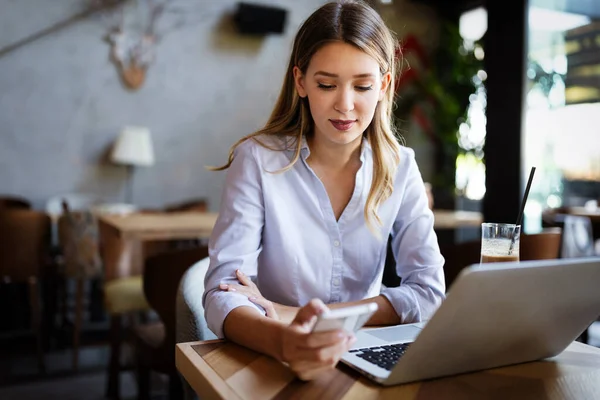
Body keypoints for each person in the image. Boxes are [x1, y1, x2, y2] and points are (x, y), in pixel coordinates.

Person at [203, 0, 445, 381]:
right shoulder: (257, 160)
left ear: (383, 86)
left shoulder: (401, 167)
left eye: (363, 86)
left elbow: (429, 294)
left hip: (365, 357)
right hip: (271, 358)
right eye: (326, 84)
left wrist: (302, 315)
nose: (345, 105)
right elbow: (224, 293)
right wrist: (284, 338)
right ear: (300, 81)